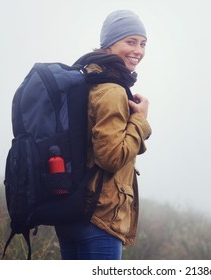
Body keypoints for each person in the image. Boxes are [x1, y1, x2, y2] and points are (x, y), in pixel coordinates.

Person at [55, 10, 152, 260]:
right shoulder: (111, 90)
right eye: (130, 42)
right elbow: (111, 157)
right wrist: (140, 120)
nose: (138, 51)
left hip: (72, 210)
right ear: (109, 44)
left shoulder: (86, 78)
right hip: (98, 219)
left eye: (142, 43)